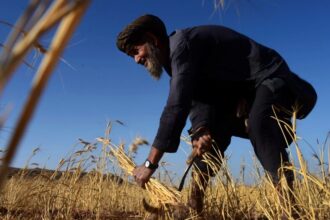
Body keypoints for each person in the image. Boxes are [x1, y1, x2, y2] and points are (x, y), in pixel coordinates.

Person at [116, 14, 317, 215]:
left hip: (268, 76)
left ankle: (290, 209)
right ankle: (194, 206)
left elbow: (177, 105)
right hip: (238, 94)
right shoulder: (176, 62)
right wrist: (200, 129)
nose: (136, 59)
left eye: (136, 51)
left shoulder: (181, 46)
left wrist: (150, 163)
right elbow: (199, 98)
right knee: (210, 138)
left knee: (259, 123)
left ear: (152, 39)